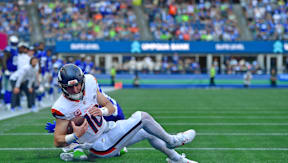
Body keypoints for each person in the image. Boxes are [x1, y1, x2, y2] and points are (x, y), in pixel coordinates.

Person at [51, 64, 197, 163]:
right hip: (100, 145)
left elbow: (110, 107)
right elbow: (58, 140)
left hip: (108, 130)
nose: (75, 90)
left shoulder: (89, 82)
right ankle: (172, 141)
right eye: (70, 88)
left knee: (148, 131)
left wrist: (101, 111)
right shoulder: (62, 107)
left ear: (82, 81)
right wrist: (76, 135)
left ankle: (177, 159)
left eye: (77, 85)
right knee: (142, 117)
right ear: (62, 87)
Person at [46, 84, 126, 161]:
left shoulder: (89, 88)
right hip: (109, 116)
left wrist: (65, 127)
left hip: (106, 115)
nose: (75, 89)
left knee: (73, 129)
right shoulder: (89, 85)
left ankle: (78, 149)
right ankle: (113, 146)